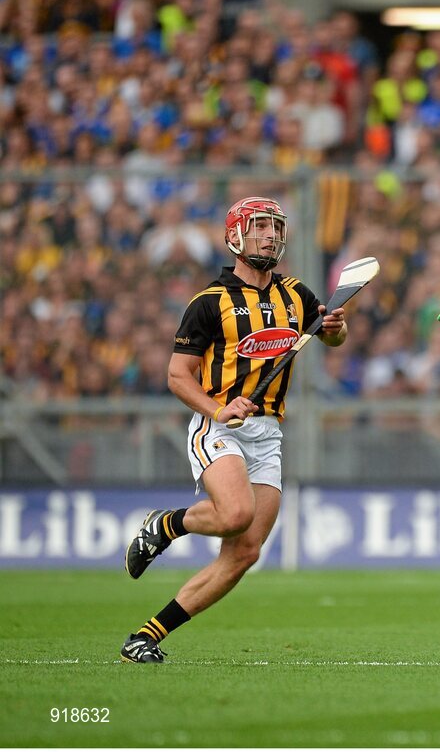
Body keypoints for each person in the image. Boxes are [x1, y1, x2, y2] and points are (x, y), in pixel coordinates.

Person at [119, 197, 348, 663]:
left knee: (244, 552)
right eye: (260, 226)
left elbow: (332, 335)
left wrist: (334, 329)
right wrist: (218, 409)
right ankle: (166, 524)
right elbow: (177, 376)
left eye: (276, 226)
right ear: (236, 235)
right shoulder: (208, 303)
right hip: (218, 427)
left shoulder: (297, 295)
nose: (270, 234)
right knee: (235, 514)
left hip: (268, 434)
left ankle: (145, 636)